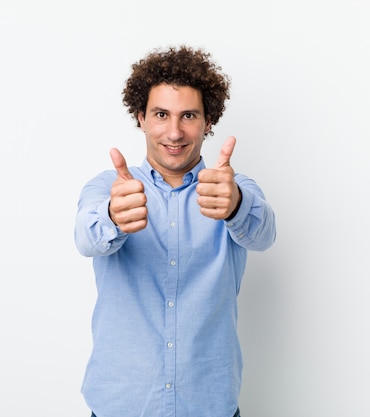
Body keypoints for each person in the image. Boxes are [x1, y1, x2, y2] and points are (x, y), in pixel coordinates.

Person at [74, 45, 276, 417]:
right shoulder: (108, 187)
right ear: (141, 117)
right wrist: (113, 216)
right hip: (122, 405)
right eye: (161, 114)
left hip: (208, 405)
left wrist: (234, 205)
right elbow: (86, 238)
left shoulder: (231, 187)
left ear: (208, 121)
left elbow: (264, 234)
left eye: (189, 116)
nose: (174, 131)